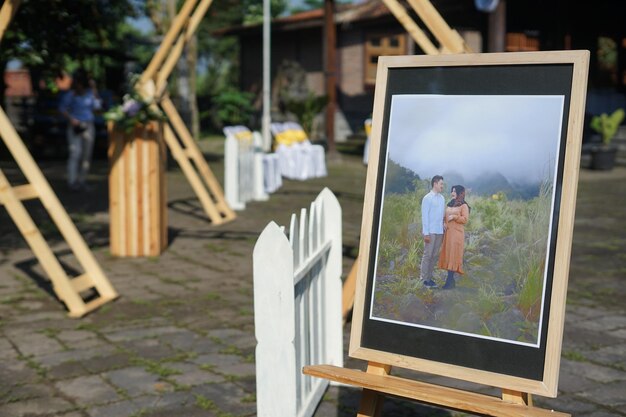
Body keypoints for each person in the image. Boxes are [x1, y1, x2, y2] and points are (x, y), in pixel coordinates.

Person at [58, 69, 101, 191]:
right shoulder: (70, 95)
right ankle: (72, 182)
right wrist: (71, 119)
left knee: (86, 155)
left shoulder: (89, 94)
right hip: (75, 125)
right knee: (75, 153)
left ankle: (81, 181)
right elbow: (62, 109)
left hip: (88, 125)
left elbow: (97, 107)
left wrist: (94, 90)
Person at [438, 185, 471, 289]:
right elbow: (444, 216)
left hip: (457, 234)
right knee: (448, 255)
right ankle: (451, 282)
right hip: (448, 234)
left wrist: (455, 217)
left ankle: (449, 281)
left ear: (460, 193)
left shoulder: (464, 205)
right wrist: (444, 222)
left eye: (454, 191)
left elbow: (465, 219)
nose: (452, 193)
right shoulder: (450, 204)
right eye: (452, 191)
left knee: (453, 255)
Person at [420, 175, 445, 288]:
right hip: (430, 231)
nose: (442, 186)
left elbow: (441, 215)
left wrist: (444, 225)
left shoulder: (442, 198)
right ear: (435, 183)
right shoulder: (427, 198)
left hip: (440, 231)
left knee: (434, 256)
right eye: (441, 184)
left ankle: (429, 279)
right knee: (427, 255)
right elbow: (425, 216)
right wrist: (426, 233)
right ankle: (423, 279)